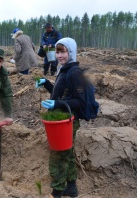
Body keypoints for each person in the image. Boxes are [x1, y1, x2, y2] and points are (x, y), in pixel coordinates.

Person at [36, 37, 83, 198]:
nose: (59, 55)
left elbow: (79, 101)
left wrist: (57, 104)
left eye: (63, 51)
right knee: (67, 154)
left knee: (58, 155)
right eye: (57, 52)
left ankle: (57, 191)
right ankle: (71, 188)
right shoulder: (64, 69)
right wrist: (47, 84)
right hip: (63, 119)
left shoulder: (75, 73)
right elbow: (60, 93)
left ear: (71, 52)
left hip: (68, 121)